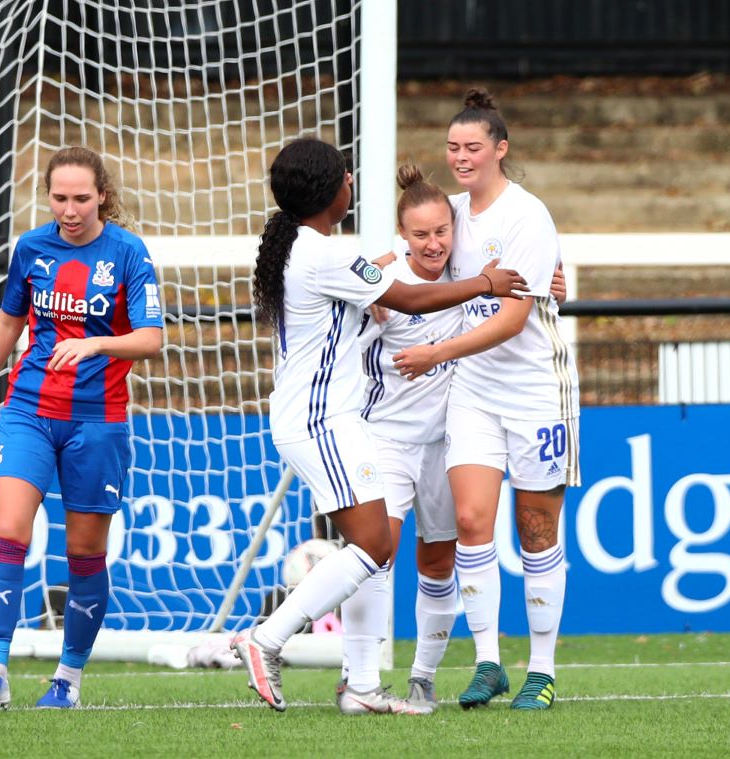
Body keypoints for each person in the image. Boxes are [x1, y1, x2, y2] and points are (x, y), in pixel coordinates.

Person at [231, 136, 526, 713]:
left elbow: (385, 289)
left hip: (323, 418)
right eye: (345, 177)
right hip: (323, 420)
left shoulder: (310, 248)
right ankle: (265, 639)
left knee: (373, 548)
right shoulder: (323, 255)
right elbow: (412, 301)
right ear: (329, 191)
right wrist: (487, 283)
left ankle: (362, 688)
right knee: (373, 545)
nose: (351, 184)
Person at [339, 164, 568, 715]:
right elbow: (340, 331)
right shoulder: (384, 283)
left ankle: (423, 677)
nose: (434, 243)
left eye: (442, 232)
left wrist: (554, 284)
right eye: (420, 235)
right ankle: (359, 676)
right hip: (387, 440)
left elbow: (518, 289)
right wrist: (368, 286)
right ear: (403, 236)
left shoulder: (468, 273)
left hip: (449, 439)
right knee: (373, 552)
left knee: (440, 562)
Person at [0, 146, 165, 710]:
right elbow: (9, 321)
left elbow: (151, 338)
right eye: (59, 198)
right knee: (8, 531)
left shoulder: (127, 253)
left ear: (102, 196)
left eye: (80, 198)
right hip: (26, 408)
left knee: (83, 552)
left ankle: (67, 680)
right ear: (47, 196)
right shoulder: (31, 248)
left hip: (98, 422)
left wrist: (97, 342)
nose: (69, 210)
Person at [392, 88, 579, 711]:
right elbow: (412, 258)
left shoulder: (527, 216)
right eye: (453, 147)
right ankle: (489, 663)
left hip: (534, 391)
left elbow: (511, 318)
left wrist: (435, 353)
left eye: (474, 147)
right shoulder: (448, 213)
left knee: (535, 532)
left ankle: (543, 670)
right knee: (471, 524)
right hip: (473, 390)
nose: (462, 157)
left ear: (501, 149)